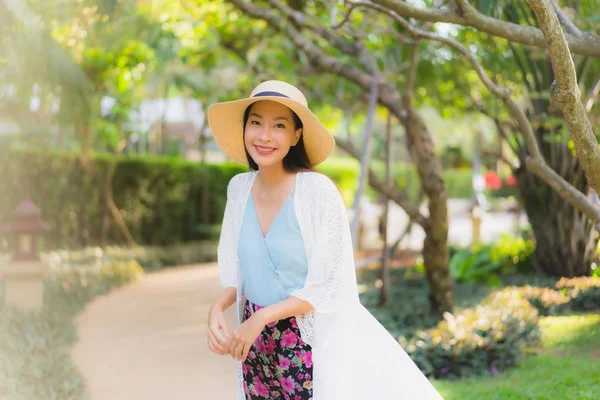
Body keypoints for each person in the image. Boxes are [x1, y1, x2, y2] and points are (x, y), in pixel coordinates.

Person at [206, 80, 443, 400]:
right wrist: (218, 308)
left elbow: (331, 284)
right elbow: (243, 271)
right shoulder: (239, 189)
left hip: (304, 342)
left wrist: (263, 317)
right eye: (256, 123)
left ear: (296, 135)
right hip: (254, 344)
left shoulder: (316, 192)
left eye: (278, 125)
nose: (264, 135)